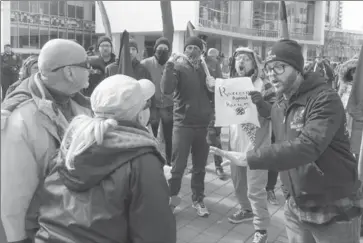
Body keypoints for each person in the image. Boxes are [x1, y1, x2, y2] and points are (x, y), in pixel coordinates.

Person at [211, 39, 362, 243]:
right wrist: (260, 105)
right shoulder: (282, 100)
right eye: (269, 68)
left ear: (298, 69)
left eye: (280, 67)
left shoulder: (324, 99)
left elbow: (308, 146)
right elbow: (276, 115)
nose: (272, 73)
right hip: (295, 204)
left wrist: (251, 158)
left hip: (332, 205)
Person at [33, 74, 176, 243]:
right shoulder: (142, 160)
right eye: (146, 105)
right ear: (139, 114)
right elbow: (155, 234)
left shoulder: (72, 143)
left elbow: (36, 209)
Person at [1, 39, 92, 243]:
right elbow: (14, 194)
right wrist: (19, 239)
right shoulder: (20, 119)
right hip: (40, 231)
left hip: (70, 223)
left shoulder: (82, 105)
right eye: (86, 66)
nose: (90, 71)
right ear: (69, 73)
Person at [214, 47, 274, 243]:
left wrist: (262, 104)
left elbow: (273, 113)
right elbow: (221, 110)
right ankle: (246, 210)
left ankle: (261, 229)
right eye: (238, 58)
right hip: (235, 143)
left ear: (254, 63)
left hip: (257, 146)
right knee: (238, 183)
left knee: (255, 190)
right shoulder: (229, 84)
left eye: (246, 59)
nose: (241, 62)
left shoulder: (264, 85)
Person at [161, 36, 214, 217]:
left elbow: (216, 96)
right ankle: (172, 201)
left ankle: (198, 200)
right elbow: (166, 89)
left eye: (196, 48)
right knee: (178, 168)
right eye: (189, 47)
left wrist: (213, 85)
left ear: (202, 51)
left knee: (199, 168)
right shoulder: (178, 67)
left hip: (203, 125)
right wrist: (169, 66)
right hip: (182, 124)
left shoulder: (207, 69)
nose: (192, 51)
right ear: (185, 50)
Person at [141, 37, 174, 165]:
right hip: (153, 105)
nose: (162, 52)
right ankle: (154, 160)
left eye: (165, 49)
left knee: (168, 136)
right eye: (160, 49)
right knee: (152, 135)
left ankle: (170, 161)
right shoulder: (145, 63)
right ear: (155, 50)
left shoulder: (172, 64)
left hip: (168, 105)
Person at [205, 48, 226, 179]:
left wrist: (214, 84)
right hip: (199, 108)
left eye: (216, 57)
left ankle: (218, 165)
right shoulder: (194, 64)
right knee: (205, 137)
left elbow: (221, 84)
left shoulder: (215, 65)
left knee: (214, 137)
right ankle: (200, 164)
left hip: (215, 107)